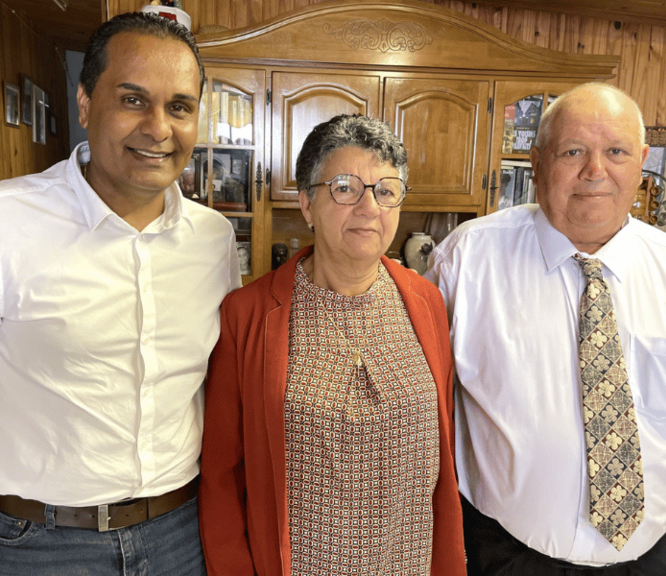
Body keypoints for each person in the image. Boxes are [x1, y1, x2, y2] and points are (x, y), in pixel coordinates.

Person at [0, 11, 240, 576]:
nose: (158, 128)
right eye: (133, 99)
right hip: (41, 546)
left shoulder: (213, 239)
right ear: (85, 103)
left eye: (179, 106)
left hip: (184, 535)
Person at [426, 82, 666, 576]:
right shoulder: (467, 261)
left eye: (616, 152)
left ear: (641, 161)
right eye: (573, 151)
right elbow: (419, 408)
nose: (595, 172)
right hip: (503, 555)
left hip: (653, 560)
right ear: (537, 162)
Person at [199, 114, 467, 576]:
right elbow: (222, 477)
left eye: (385, 191)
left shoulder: (426, 303)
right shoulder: (247, 316)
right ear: (306, 203)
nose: (369, 208)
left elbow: (443, 467)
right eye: (345, 188)